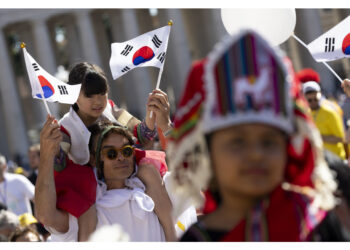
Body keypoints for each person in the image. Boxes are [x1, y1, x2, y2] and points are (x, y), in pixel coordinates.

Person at [167, 30, 337, 241]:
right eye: (237, 141)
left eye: (269, 141)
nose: (256, 154)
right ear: (207, 153)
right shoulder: (195, 240)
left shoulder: (317, 220)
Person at [50, 62, 175, 241]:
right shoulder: (65, 127)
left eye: (102, 93)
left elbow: (140, 134)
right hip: (86, 178)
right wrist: (53, 147)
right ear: (74, 95)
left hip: (120, 167)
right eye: (90, 96)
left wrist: (151, 117)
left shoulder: (111, 108)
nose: (98, 101)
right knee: (86, 197)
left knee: (148, 170)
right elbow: (59, 162)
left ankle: (172, 237)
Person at [36, 117, 173, 241]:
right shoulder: (86, 209)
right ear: (93, 159)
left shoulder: (150, 185)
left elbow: (190, 170)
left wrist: (166, 126)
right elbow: (46, 217)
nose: (121, 158)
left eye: (126, 151)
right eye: (111, 153)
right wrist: (46, 155)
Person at [302, 81, 346, 159]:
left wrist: (317, 137)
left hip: (336, 159)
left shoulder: (330, 112)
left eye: (316, 99)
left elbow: (341, 138)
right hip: (320, 159)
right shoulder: (306, 113)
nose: (313, 102)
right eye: (309, 100)